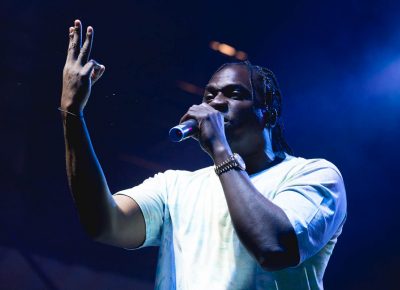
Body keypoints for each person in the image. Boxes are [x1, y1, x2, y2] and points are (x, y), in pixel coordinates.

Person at [60, 19, 347, 290]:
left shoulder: (314, 175)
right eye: (209, 96)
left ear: (268, 113)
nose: (217, 103)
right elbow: (104, 223)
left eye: (234, 94)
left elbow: (274, 248)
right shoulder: (176, 187)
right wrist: (72, 113)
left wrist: (220, 150)